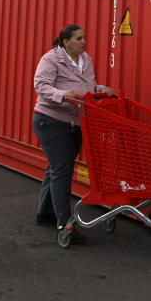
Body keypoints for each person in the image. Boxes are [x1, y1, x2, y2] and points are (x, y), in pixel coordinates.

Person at [33, 24, 114, 243]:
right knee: (62, 171)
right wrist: (61, 94)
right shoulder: (51, 59)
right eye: (78, 38)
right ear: (65, 41)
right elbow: (40, 85)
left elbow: (89, 86)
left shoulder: (85, 60)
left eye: (83, 38)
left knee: (56, 168)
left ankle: (45, 214)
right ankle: (64, 223)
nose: (83, 42)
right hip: (51, 121)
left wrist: (102, 90)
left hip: (75, 122)